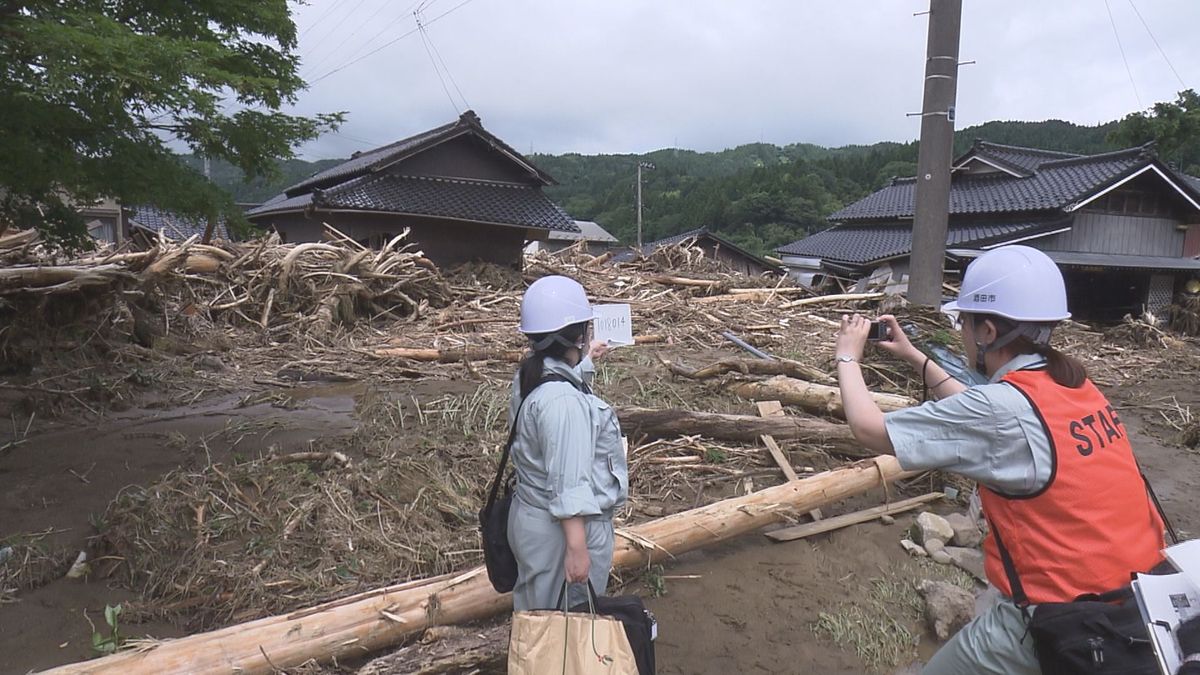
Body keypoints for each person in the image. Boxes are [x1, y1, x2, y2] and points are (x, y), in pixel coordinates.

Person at [833, 245, 1166, 674]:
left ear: (988, 330)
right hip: (1135, 603)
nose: (962, 332)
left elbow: (869, 428)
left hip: (1057, 620)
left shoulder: (1004, 408)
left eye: (965, 322)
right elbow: (985, 417)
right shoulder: (1073, 385)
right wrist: (915, 356)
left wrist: (847, 354)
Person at [507, 275, 629, 612]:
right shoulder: (563, 403)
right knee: (562, 626)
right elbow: (569, 482)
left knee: (536, 616)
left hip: (532, 518)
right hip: (559, 535)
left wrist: (586, 359)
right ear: (578, 334)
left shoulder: (530, 375)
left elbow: (560, 382)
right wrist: (577, 548)